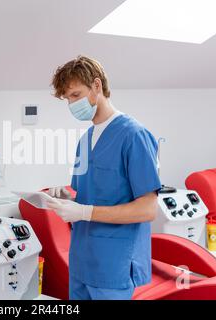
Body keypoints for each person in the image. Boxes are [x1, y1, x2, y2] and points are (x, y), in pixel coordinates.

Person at [46, 55, 162, 300]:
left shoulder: (134, 136)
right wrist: (69, 199)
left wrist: (84, 212)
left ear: (96, 86)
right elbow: (88, 196)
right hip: (82, 262)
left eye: (76, 95)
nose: (71, 104)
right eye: (68, 99)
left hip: (113, 265)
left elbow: (148, 209)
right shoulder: (85, 141)